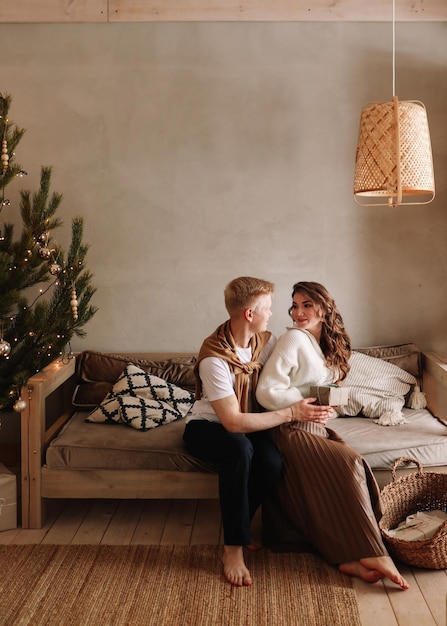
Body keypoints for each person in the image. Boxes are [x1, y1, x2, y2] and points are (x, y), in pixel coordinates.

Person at [255, 281, 409, 590]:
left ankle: (346, 557)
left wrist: (328, 403)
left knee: (356, 464)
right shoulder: (293, 339)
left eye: (306, 305)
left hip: (316, 425)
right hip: (289, 426)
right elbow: (266, 391)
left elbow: (316, 386)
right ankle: (375, 552)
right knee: (349, 463)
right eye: (295, 306)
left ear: (324, 309)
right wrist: (300, 405)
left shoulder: (321, 342)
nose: (298, 312)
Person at [183, 276, 329, 587]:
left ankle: (241, 527)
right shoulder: (214, 358)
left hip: (247, 423)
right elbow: (233, 423)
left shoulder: (265, 343)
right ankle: (232, 550)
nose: (273, 315)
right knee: (240, 449)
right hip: (207, 427)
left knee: (272, 462)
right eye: (268, 309)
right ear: (250, 314)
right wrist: (290, 412)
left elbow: (290, 379)